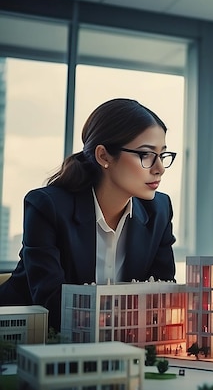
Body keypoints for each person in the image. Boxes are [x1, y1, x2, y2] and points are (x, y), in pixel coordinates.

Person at [0, 98, 177, 331]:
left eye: (162, 155)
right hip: (25, 337)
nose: (160, 168)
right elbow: (53, 304)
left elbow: (162, 297)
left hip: (119, 346)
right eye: (145, 155)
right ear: (104, 156)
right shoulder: (47, 207)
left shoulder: (159, 210)